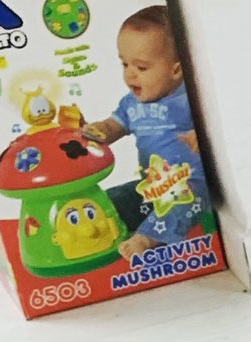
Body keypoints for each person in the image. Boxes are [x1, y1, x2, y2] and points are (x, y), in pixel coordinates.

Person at [79, 6, 209, 258]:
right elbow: (112, 128)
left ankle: (147, 239)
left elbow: (217, 127)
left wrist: (200, 136)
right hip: (150, 187)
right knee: (109, 200)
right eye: (124, 63)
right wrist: (92, 131)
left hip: (191, 185)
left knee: (179, 204)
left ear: (176, 70)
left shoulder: (189, 99)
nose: (129, 75)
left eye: (141, 67)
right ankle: (106, 232)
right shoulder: (131, 104)